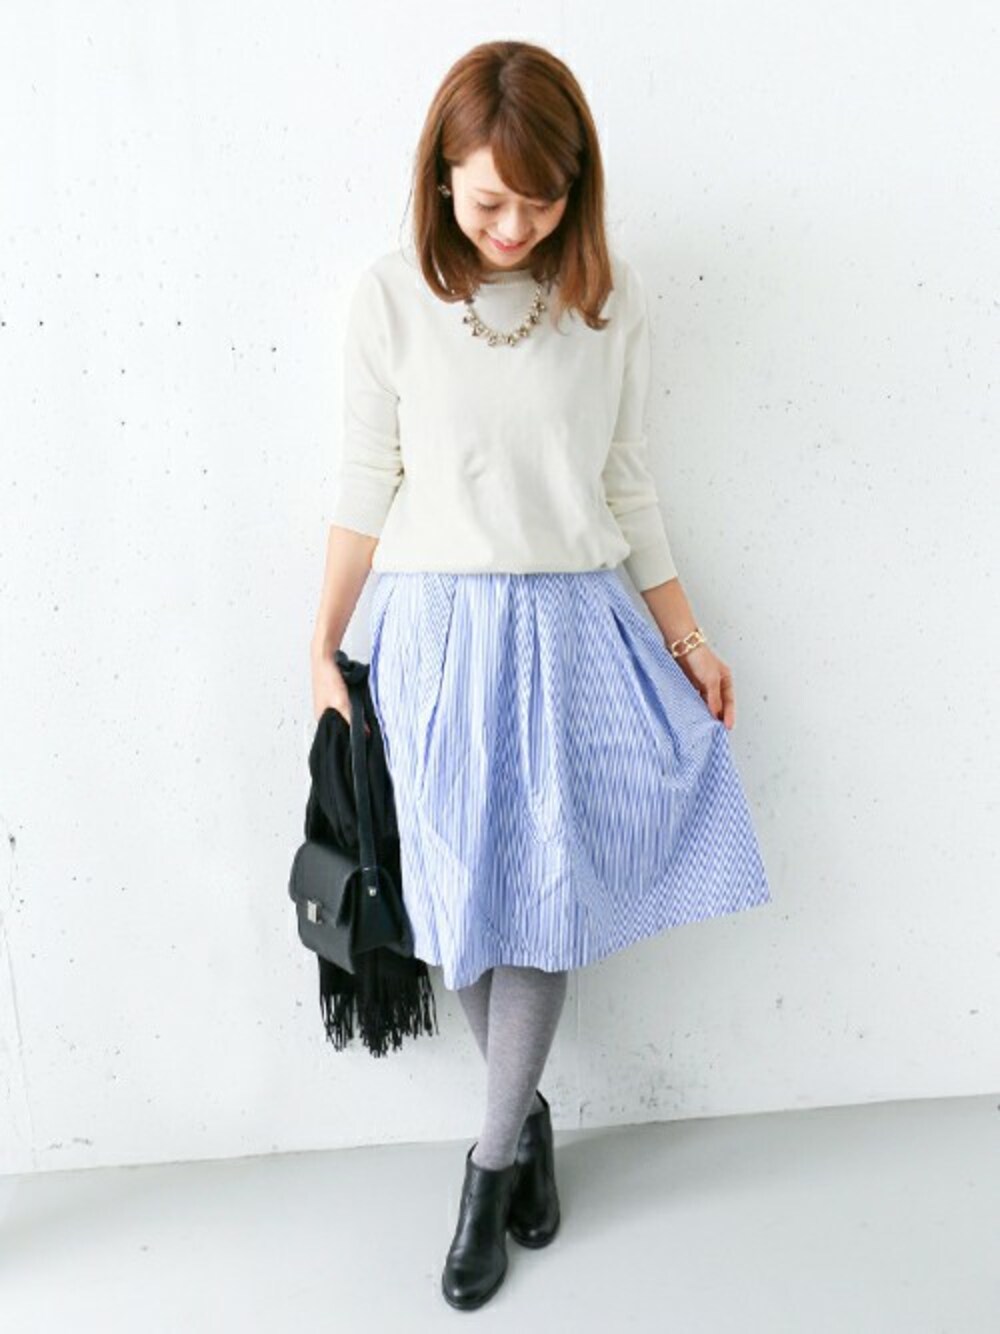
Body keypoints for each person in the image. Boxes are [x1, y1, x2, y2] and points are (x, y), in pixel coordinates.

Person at [309, 38, 772, 1312]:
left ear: (579, 189)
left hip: (570, 631)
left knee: (542, 900)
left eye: (541, 202)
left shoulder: (606, 305)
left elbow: (627, 488)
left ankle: (487, 1165)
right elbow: (363, 482)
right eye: (487, 201)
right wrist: (320, 644)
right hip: (432, 637)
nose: (514, 228)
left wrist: (689, 640)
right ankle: (525, 1119)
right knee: (458, 898)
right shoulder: (388, 297)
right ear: (440, 177)